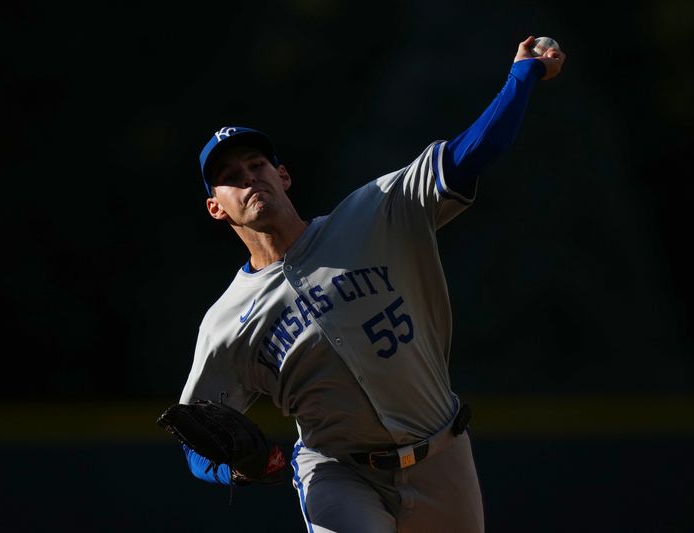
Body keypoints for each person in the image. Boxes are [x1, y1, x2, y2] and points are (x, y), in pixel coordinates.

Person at [177, 36, 565, 533]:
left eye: (257, 165)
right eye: (231, 176)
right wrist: (233, 466)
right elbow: (196, 437)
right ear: (216, 207)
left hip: (443, 454)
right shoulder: (226, 321)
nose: (250, 178)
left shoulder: (375, 213)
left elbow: (472, 153)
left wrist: (523, 74)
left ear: (283, 175)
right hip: (338, 473)